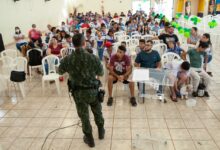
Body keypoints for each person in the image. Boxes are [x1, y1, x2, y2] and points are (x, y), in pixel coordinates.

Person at [58, 33, 105, 148]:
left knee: (84, 116)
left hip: (78, 93)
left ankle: (89, 139)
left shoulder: (67, 59)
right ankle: (101, 131)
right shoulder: (93, 57)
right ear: (84, 43)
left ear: (72, 44)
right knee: (97, 111)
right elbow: (101, 73)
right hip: (93, 92)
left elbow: (60, 71)